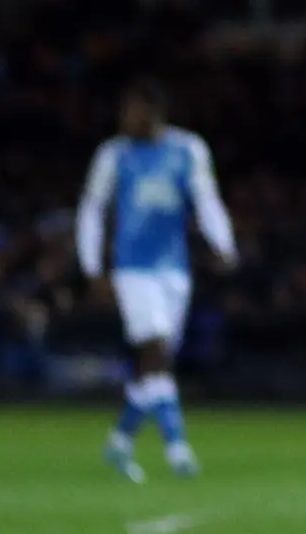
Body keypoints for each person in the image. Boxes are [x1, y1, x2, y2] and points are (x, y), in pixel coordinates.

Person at [77, 80, 236, 480]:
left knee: (158, 362)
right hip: (132, 268)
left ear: (153, 112)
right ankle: (177, 448)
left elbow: (206, 199)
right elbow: (92, 210)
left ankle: (120, 441)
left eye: (132, 110)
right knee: (155, 350)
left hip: (175, 269)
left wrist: (223, 243)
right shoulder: (113, 155)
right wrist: (92, 267)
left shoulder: (188, 150)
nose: (124, 118)